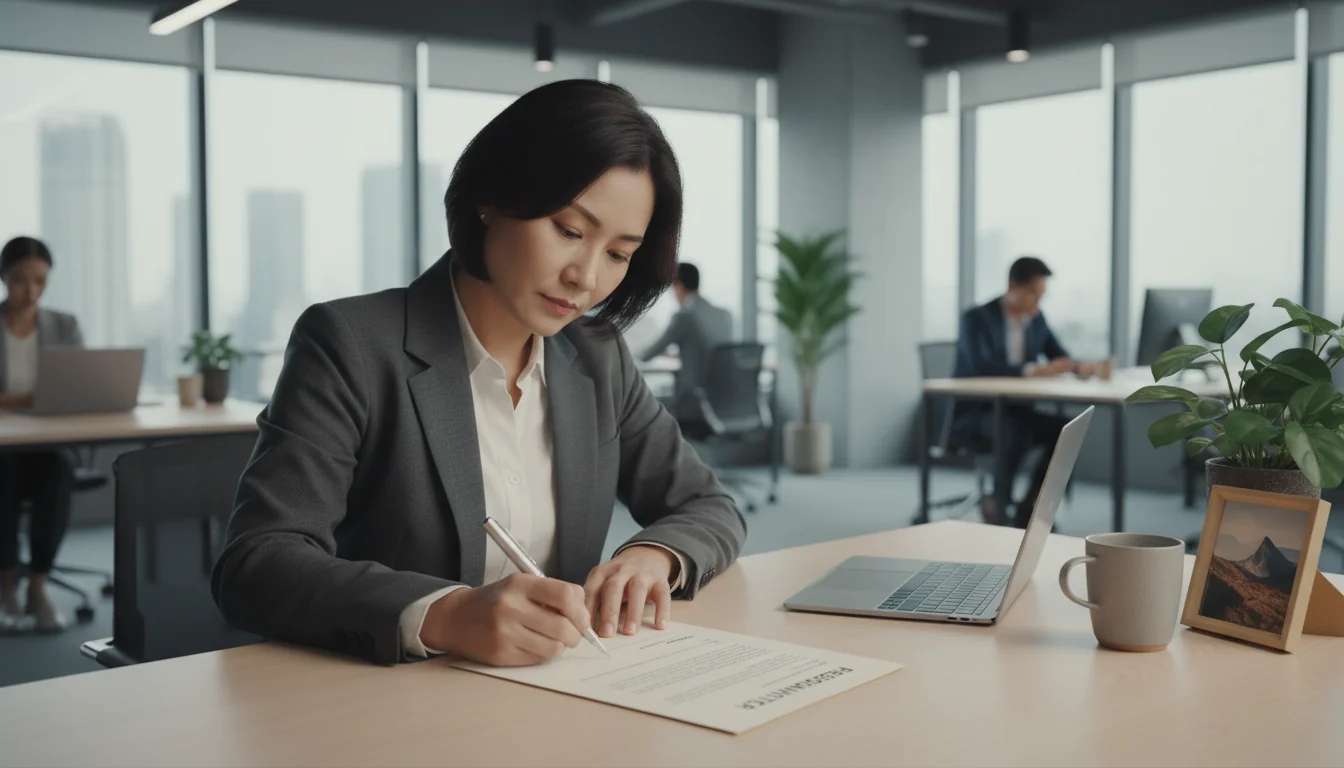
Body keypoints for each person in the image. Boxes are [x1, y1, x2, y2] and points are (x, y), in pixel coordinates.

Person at [212, 80, 747, 668]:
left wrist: (654, 555)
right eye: (569, 231)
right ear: (493, 198)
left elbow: (709, 505)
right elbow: (258, 563)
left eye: (618, 254)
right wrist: (445, 614)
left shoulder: (599, 357)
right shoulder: (352, 344)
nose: (586, 277)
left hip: (561, 691)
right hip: (395, 697)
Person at [951, 256, 1094, 527]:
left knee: (1066, 430)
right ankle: (999, 503)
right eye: (1032, 294)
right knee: (1013, 432)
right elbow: (980, 366)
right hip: (976, 412)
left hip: (1018, 409)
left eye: (1041, 296)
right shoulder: (976, 319)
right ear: (1012, 287)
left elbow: (1059, 355)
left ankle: (1031, 506)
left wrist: (1077, 366)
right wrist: (1033, 370)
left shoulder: (1036, 320)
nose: (1037, 303)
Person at [0, 236, 82, 634]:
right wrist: (27, 398)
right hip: (3, 448)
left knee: (58, 468)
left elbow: (78, 387)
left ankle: (37, 586)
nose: (31, 290)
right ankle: (5, 587)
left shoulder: (64, 326)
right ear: (4, 277)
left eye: (40, 280)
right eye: (20, 280)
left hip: (47, 443)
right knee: (2, 472)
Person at [637, 263, 733, 421]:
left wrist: (625, 353)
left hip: (693, 400)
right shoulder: (724, 315)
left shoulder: (684, 316)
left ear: (679, 286)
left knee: (646, 408)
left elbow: (649, 354)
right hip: (723, 397)